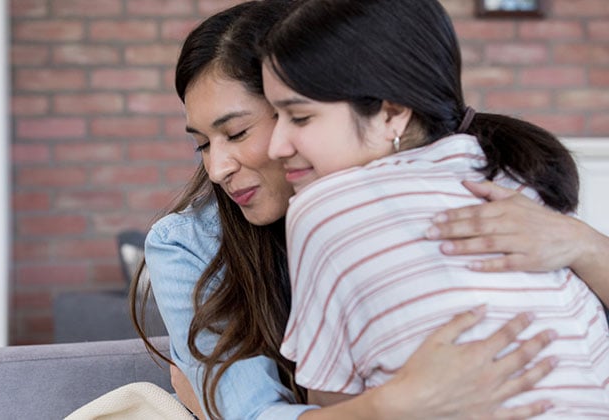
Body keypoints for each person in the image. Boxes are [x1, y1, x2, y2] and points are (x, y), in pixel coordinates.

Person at [130, 1, 609, 419]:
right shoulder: (190, 242)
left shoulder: (472, 181)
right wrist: (397, 404)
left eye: (237, 133)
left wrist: (585, 245)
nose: (217, 168)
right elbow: (251, 413)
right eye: (201, 145)